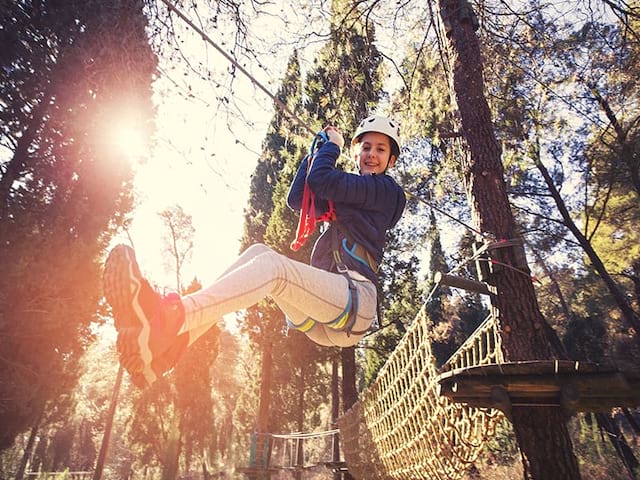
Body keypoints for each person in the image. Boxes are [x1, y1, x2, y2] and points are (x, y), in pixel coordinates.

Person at [103, 114, 406, 387]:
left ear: (391, 160)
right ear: (358, 153)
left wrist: (333, 145)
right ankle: (165, 353)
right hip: (324, 319)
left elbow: (322, 181)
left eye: (381, 149)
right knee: (259, 251)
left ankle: (168, 319)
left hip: (354, 304)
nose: (371, 155)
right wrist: (314, 153)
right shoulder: (351, 196)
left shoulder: (387, 192)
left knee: (274, 269)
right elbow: (299, 198)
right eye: (366, 147)